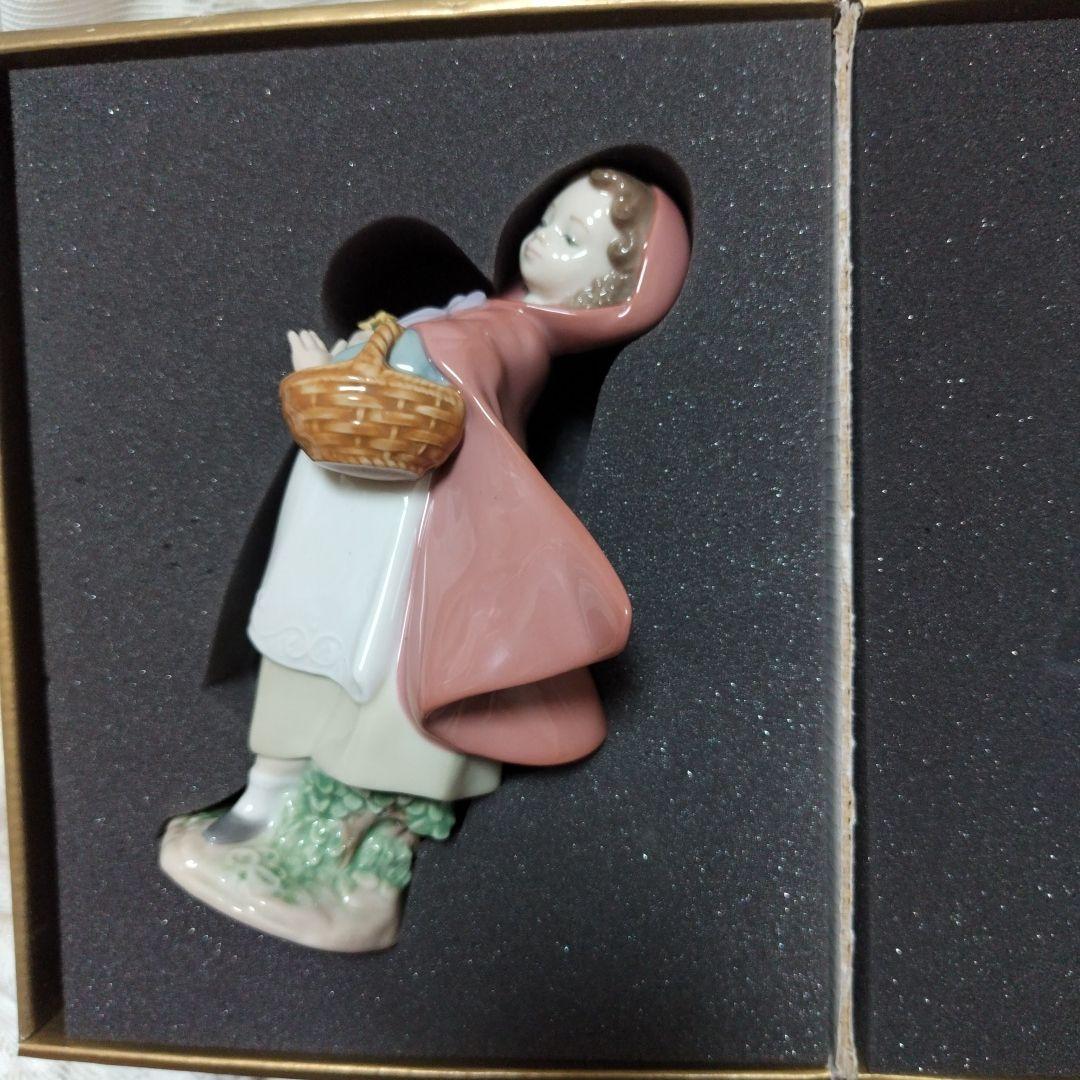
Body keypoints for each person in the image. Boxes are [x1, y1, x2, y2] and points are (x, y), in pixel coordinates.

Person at [160, 168, 690, 950]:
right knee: (302, 643)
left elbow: (450, 393)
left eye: (573, 238)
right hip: (346, 504)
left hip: (400, 530)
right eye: (551, 218)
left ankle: (339, 862)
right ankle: (258, 807)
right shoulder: (488, 313)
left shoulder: (515, 336)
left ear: (606, 289)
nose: (544, 237)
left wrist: (356, 379)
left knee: (359, 668)